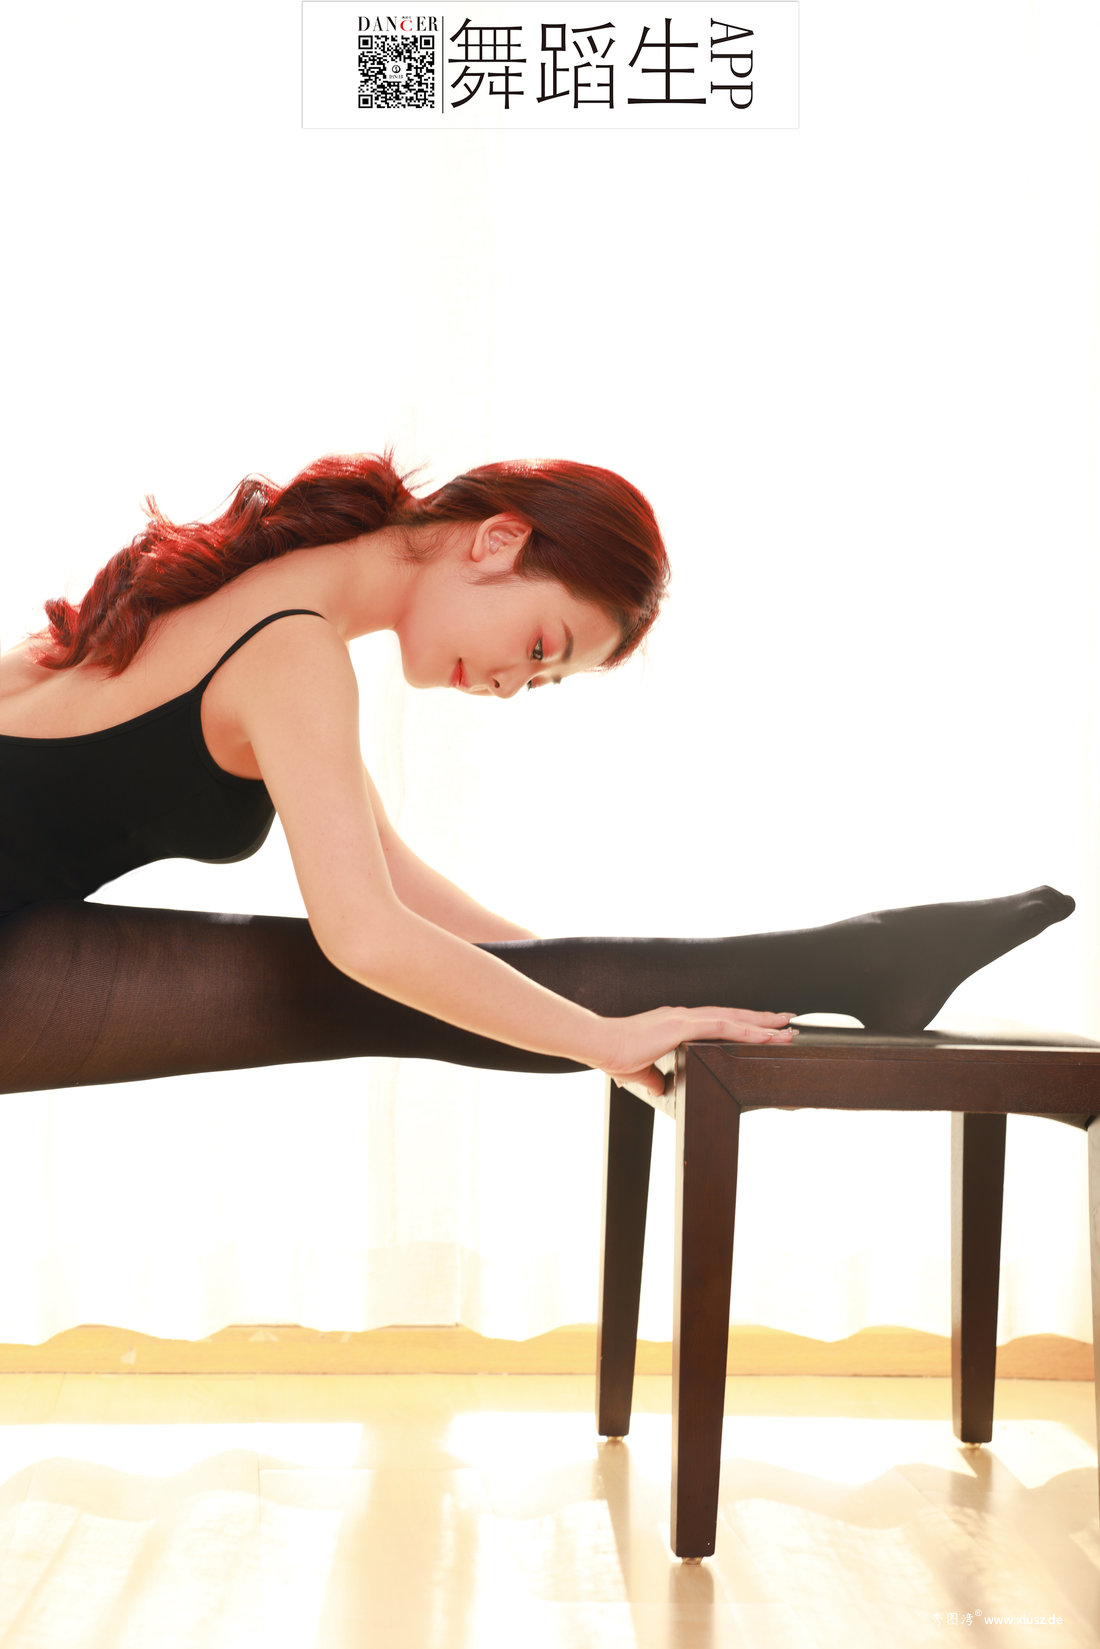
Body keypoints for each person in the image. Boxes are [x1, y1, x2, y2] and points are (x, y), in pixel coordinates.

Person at [0, 451, 1074, 1098]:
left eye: (542, 678)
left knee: (442, 988)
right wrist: (600, 1033)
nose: (514, 683)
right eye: (541, 646)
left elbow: (393, 882)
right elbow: (368, 936)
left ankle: (859, 960)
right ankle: (861, 959)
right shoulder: (289, 646)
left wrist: (564, 983)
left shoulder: (253, 598)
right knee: (373, 987)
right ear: (497, 541)